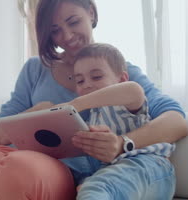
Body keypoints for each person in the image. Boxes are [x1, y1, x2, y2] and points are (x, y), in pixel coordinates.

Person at [0, 0, 188, 200]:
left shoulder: (117, 70)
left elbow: (176, 122)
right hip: (6, 153)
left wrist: (122, 142)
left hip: (56, 169)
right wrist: (36, 113)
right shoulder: (34, 69)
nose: (65, 36)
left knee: (19, 171)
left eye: (73, 22)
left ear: (91, 13)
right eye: (54, 30)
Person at [61, 42, 176, 196]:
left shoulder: (122, 102)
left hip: (148, 164)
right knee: (86, 180)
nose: (87, 84)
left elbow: (134, 91)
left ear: (122, 79)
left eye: (96, 77)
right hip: (112, 172)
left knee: (97, 188)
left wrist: (75, 104)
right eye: (80, 81)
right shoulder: (93, 116)